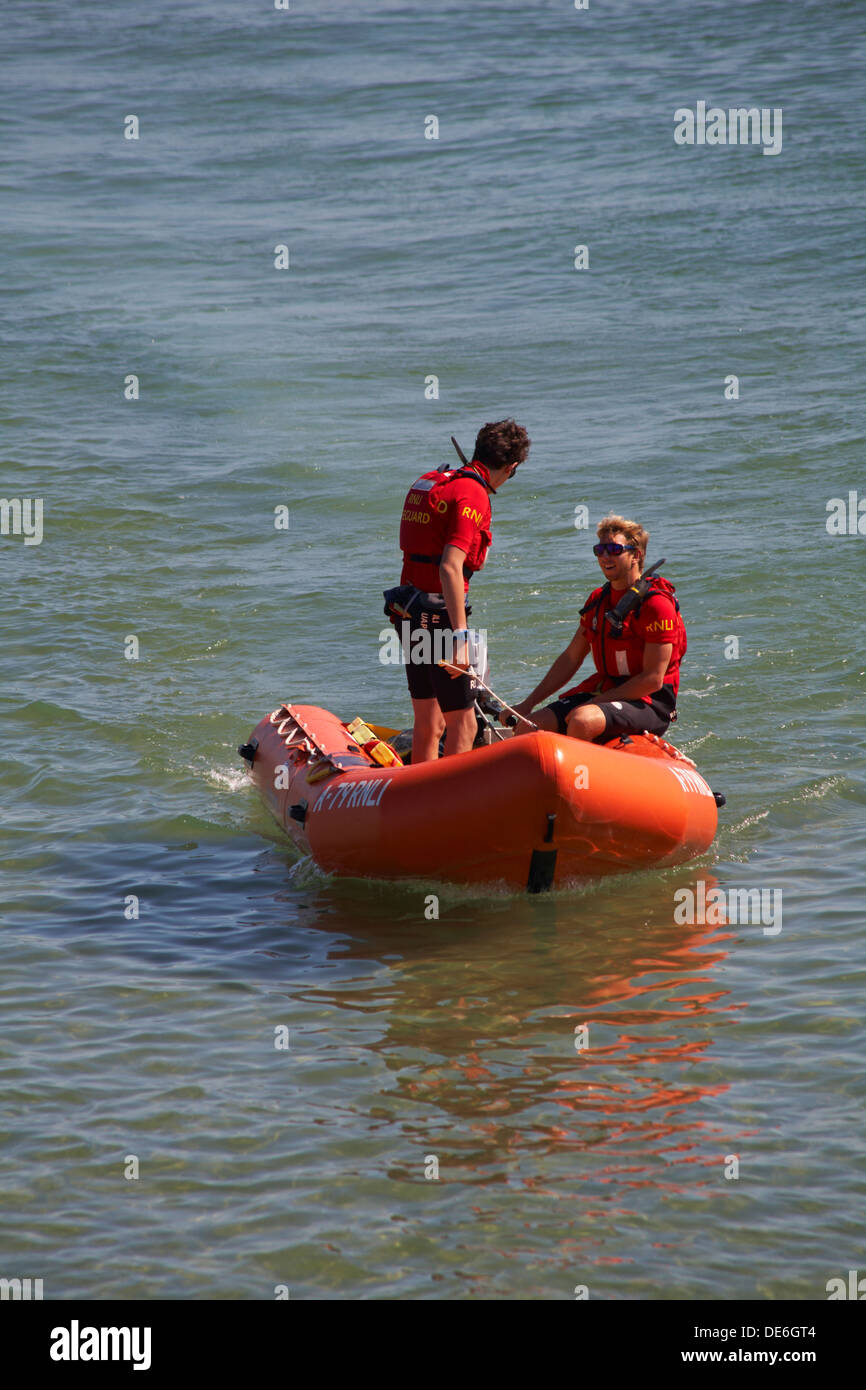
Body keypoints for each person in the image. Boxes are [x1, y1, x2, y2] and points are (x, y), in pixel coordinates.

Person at [388, 419, 530, 763]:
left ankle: (420, 800)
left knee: (429, 721)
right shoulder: (473, 493)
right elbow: (450, 566)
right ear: (510, 467)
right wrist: (461, 637)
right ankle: (446, 807)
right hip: (440, 617)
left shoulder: (433, 481)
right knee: (463, 726)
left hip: (407, 608)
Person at [511, 515, 686, 743]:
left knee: (582, 720)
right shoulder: (598, 600)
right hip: (606, 690)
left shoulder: (656, 605)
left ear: (637, 555)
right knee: (528, 728)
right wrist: (528, 703)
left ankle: (580, 776)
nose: (605, 556)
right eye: (599, 550)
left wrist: (595, 704)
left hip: (649, 701)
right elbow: (571, 657)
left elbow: (652, 679)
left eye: (614, 549)